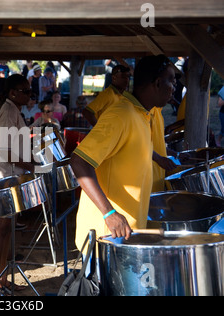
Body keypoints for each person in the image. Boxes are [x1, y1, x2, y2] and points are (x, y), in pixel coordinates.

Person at [70, 55, 176, 250]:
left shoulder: (142, 114)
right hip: (106, 235)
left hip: (126, 234)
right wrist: (109, 213)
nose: (174, 88)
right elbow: (79, 161)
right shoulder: (121, 115)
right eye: (172, 81)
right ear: (158, 83)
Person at [0, 74, 35, 292]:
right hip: (4, 176)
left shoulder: (14, 110)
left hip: (11, 175)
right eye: (25, 91)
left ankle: (2, 278)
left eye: (29, 90)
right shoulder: (8, 112)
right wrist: (31, 166)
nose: (29, 94)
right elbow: (6, 151)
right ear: (12, 93)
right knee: (1, 229)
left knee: (7, 230)